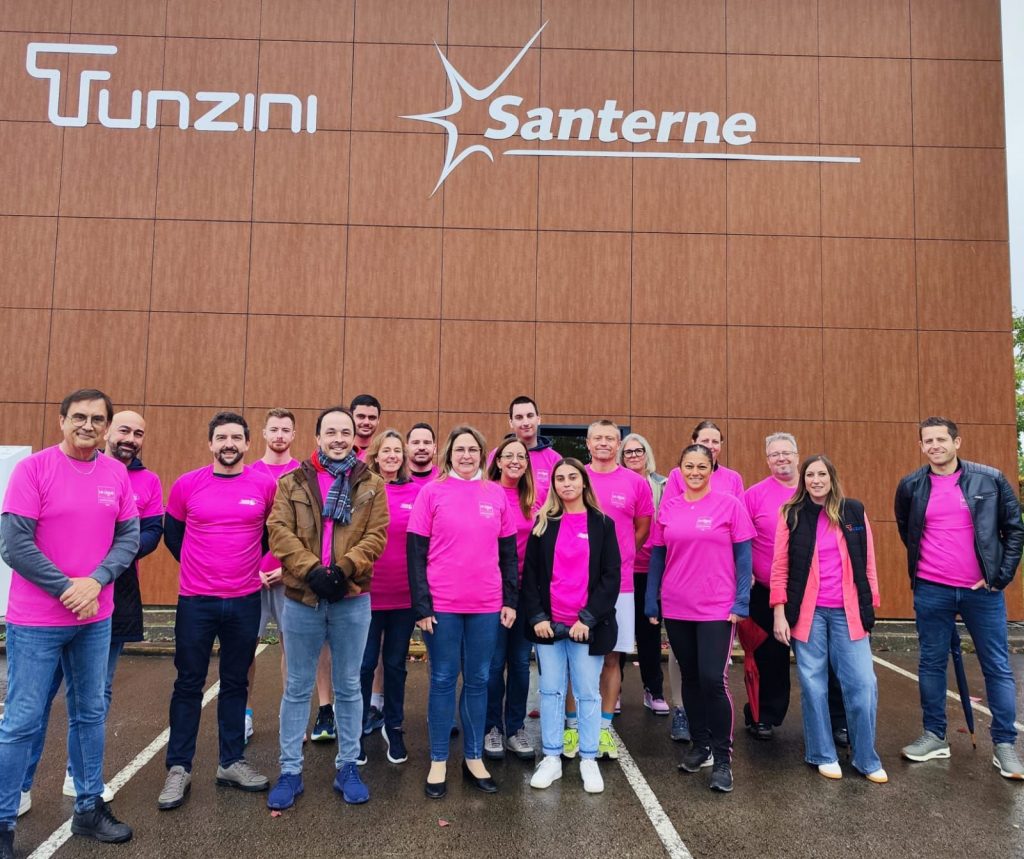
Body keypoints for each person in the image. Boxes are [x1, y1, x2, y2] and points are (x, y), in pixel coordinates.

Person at [0, 389, 139, 853]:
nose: (88, 425)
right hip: (37, 621)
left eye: (97, 419)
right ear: (61, 421)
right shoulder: (33, 469)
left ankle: (88, 808)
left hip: (94, 619)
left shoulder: (116, 473)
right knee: (22, 719)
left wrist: (96, 581)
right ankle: (2, 822)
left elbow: (128, 537)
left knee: (90, 713)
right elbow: (14, 545)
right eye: (79, 416)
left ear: (106, 427)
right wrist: (67, 588)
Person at [20, 410, 163, 813]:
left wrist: (106, 565)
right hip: (55, 598)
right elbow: (22, 538)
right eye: (124, 430)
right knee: (38, 698)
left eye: (138, 433)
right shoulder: (55, 470)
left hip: (114, 594)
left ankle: (78, 776)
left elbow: (150, 532)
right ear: (106, 432)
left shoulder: (147, 481)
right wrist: (76, 583)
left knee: (96, 694)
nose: (130, 438)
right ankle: (21, 784)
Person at [265, 406, 389, 810]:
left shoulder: (371, 483)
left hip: (351, 598)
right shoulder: (291, 482)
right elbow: (278, 531)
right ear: (317, 437)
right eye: (331, 432)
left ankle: (348, 766)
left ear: (354, 438)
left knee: (349, 685)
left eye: (345, 432)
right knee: (297, 687)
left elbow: (376, 535)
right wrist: (313, 571)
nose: (338, 438)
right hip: (302, 598)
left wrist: (343, 569)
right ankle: (290, 771)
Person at [159, 412, 277, 810]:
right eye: (221, 437)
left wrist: (244, 567)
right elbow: (173, 535)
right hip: (196, 601)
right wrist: (201, 566)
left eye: (236, 438)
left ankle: (230, 762)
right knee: (188, 683)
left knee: (235, 682)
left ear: (247, 444)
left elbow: (269, 535)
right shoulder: (187, 484)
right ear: (210, 443)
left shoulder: (264, 485)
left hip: (245, 600)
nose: (229, 444)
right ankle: (179, 768)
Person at [895, 417, 1024, 779]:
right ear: (921, 446)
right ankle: (935, 736)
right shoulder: (911, 485)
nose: (934, 446)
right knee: (931, 664)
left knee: (996, 666)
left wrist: (1000, 576)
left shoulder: (991, 479)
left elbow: (1014, 530)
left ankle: (1004, 745)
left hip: (981, 593)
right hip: (931, 589)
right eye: (928, 441)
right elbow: (908, 530)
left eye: (941, 439)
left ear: (957, 442)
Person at [407, 426, 518, 799]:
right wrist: (422, 605)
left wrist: (510, 600)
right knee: (442, 679)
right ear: (449, 454)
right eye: (460, 449)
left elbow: (508, 553)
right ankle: (439, 759)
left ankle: (473, 758)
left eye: (473, 449)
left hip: (487, 604)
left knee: (479, 679)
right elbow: (416, 553)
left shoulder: (496, 494)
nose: (466, 455)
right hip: (442, 605)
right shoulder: (431, 492)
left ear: (482, 454)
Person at [645, 443, 754, 793]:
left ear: (711, 469)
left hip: (716, 607)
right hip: (677, 605)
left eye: (701, 466)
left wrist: (741, 601)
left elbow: (744, 558)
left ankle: (722, 760)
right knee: (690, 678)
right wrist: (651, 600)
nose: (694, 472)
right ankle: (701, 745)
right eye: (688, 466)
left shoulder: (730, 505)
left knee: (712, 679)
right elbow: (658, 557)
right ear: (679, 470)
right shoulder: (669, 507)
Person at [771, 455, 886, 783]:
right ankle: (822, 753)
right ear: (803, 480)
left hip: (849, 612)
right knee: (813, 685)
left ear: (832, 478)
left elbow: (868, 562)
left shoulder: (854, 511)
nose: (816, 480)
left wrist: (869, 605)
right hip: (809, 614)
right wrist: (779, 611)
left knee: (863, 683)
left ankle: (866, 758)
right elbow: (780, 566)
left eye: (822, 474)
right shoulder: (792, 513)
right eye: (810, 475)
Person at [523, 459, 621, 794]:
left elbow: (611, 577)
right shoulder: (543, 524)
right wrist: (538, 617)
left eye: (572, 477)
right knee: (550, 690)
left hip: (585, 627)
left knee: (587, 692)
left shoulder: (603, 524)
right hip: (549, 627)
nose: (566, 483)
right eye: (560, 478)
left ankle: (588, 759)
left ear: (584, 483)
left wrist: (588, 618)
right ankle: (551, 757)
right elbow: (530, 576)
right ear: (553, 485)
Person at [582, 420, 653, 760]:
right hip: (577, 583)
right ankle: (575, 726)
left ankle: (604, 727)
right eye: (598, 438)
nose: (604, 443)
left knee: (612, 656)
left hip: (620, 585)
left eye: (610, 438)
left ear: (618, 444)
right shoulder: (576, 476)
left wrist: (620, 557)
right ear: (588, 443)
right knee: (578, 658)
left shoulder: (636, 483)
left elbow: (642, 528)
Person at [359, 429, 421, 765]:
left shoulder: (417, 492)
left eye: (398, 450)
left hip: (404, 596)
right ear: (376, 455)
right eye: (386, 450)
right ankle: (355, 730)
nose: (392, 455)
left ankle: (393, 727)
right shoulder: (362, 488)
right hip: (365, 594)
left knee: (395, 664)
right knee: (365, 664)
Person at [246, 408, 301, 743]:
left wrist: (289, 568)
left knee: (290, 649)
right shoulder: (249, 472)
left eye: (285, 430)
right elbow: (243, 530)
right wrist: (251, 568)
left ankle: (290, 718)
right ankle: (243, 715)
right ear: (264, 433)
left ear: (294, 435)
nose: (279, 435)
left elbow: (310, 533)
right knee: (244, 649)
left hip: (289, 577)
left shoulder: (303, 475)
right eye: (274, 429)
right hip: (251, 577)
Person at [484, 436, 537, 761]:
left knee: (519, 663)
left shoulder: (534, 499)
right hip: (493, 590)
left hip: (525, 593)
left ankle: (515, 728)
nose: (515, 461)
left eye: (521, 456)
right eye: (509, 456)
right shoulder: (486, 492)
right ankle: (492, 727)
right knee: (493, 665)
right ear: (499, 461)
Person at [618, 433, 672, 719]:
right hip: (621, 568)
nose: (634, 456)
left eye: (638, 450)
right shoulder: (617, 483)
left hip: (652, 569)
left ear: (646, 453)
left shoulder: (663, 484)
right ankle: (613, 690)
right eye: (628, 452)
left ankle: (654, 691)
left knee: (649, 632)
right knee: (618, 632)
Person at [491, 396, 562, 502]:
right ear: (511, 423)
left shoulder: (554, 459)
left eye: (530, 416)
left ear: (538, 419)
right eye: (519, 417)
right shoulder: (497, 454)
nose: (525, 422)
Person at [663, 420, 744, 503]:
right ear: (694, 442)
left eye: (715, 442)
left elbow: (740, 510)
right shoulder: (677, 474)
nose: (710, 446)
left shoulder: (734, 478)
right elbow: (668, 508)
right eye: (705, 441)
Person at [350, 394, 381, 460]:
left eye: (372, 418)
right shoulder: (340, 451)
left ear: (378, 420)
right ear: (350, 418)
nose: (366, 422)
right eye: (361, 417)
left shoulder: (383, 454)